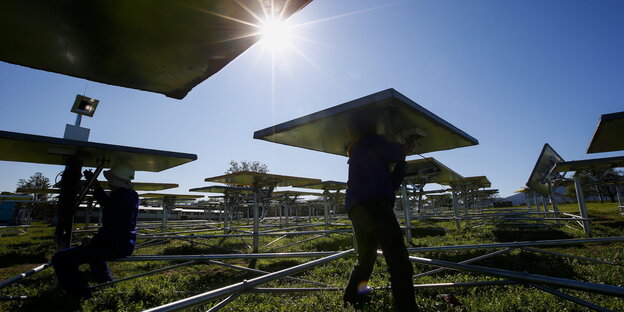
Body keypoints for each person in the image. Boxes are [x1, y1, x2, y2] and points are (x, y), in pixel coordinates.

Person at [343, 133, 417, 311]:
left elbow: (391, 184)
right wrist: (404, 148)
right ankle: (406, 308)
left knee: (366, 257)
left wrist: (401, 161)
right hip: (375, 207)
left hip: (358, 209)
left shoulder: (368, 161)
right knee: (399, 261)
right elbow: (394, 151)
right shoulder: (368, 140)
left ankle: (351, 298)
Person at [51, 162, 139, 297]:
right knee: (94, 253)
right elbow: (108, 203)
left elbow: (112, 228)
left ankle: (81, 295)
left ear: (113, 180)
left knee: (60, 259)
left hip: (115, 245)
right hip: (125, 243)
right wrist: (95, 184)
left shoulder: (119, 199)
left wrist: (93, 241)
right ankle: (106, 282)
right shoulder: (131, 195)